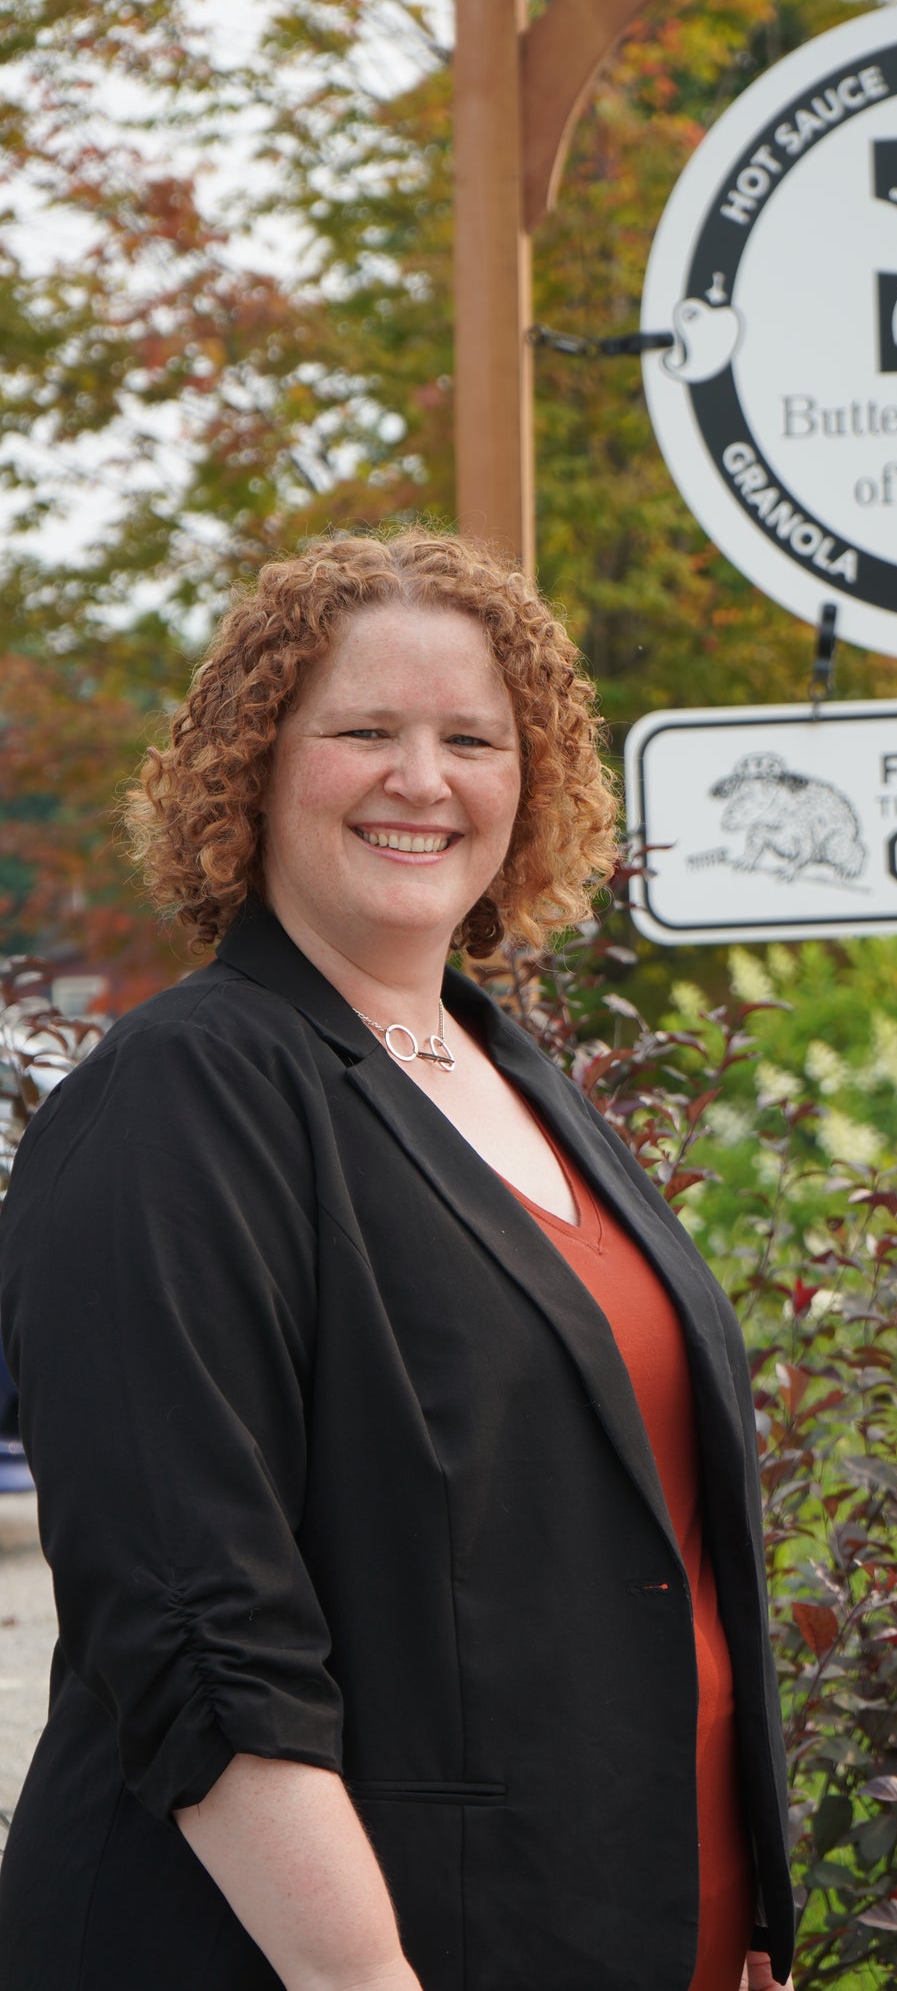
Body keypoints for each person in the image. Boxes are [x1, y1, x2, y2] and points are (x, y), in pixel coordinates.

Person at [0, 528, 794, 1991]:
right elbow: (193, 1623)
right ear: (253, 765)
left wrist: (744, 1911)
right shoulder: (178, 1100)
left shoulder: (510, 1067)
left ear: (529, 780)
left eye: (471, 739)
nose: (421, 779)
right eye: (363, 730)